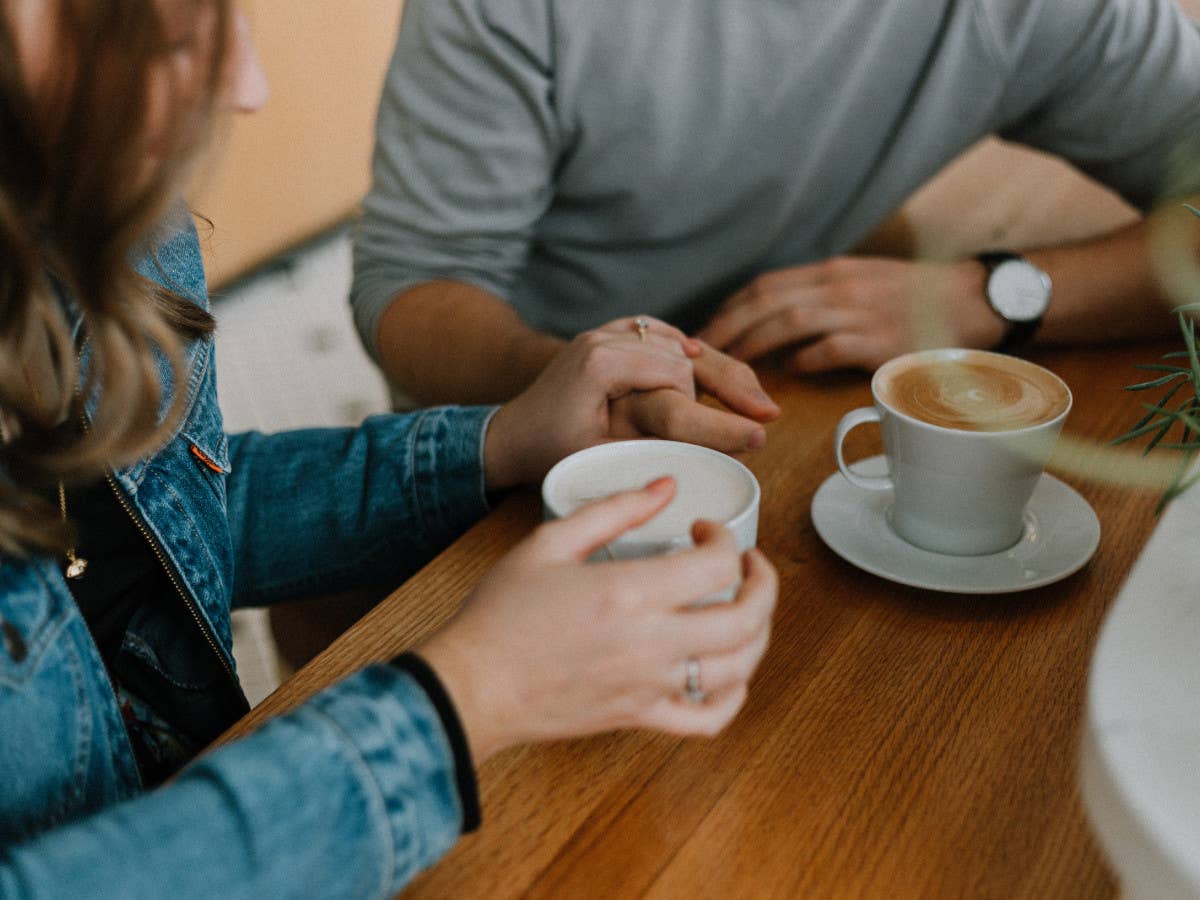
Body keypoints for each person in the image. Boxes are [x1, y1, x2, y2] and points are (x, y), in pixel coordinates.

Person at [0, 3, 777, 897]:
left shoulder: (84, 211)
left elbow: (163, 526)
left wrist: (498, 440)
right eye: (171, 32)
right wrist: (464, 701)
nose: (246, 88)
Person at [351, 0, 1200, 408]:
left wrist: (990, 294)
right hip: (509, 415)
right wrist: (585, 379)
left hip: (790, 383)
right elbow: (415, 285)